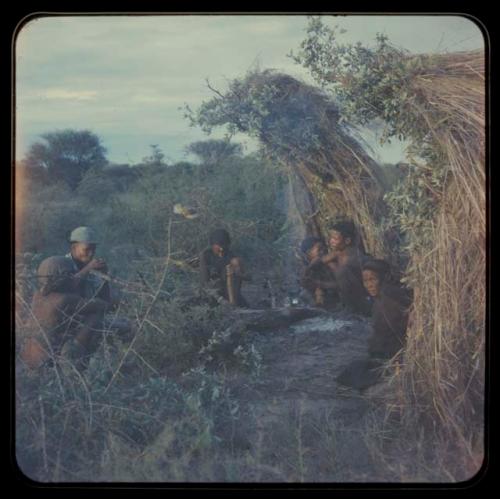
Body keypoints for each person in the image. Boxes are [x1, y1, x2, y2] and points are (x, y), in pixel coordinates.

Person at [336, 258, 412, 391]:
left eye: (373, 279)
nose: (369, 285)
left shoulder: (389, 296)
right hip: (387, 356)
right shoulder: (380, 298)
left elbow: (391, 332)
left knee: (356, 374)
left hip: (394, 357)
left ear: (385, 277)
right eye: (366, 281)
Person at [315, 221, 372, 315]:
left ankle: (351, 310)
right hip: (352, 295)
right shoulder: (340, 252)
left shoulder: (353, 259)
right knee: (331, 265)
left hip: (363, 301)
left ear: (347, 241)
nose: (331, 241)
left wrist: (319, 284)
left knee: (340, 271)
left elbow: (339, 285)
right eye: (331, 238)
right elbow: (321, 261)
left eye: (335, 238)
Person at [199, 228, 248, 307]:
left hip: (230, 294)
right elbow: (204, 284)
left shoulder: (232, 257)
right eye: (218, 248)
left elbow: (248, 277)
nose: (221, 250)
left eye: (224, 246)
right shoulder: (205, 256)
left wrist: (240, 274)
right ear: (212, 246)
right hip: (212, 294)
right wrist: (220, 300)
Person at [299, 236, 338, 309]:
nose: (322, 252)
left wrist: (320, 284)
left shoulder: (330, 264)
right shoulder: (306, 268)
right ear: (308, 252)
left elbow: (340, 284)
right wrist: (310, 267)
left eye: (323, 249)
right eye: (319, 250)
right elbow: (304, 283)